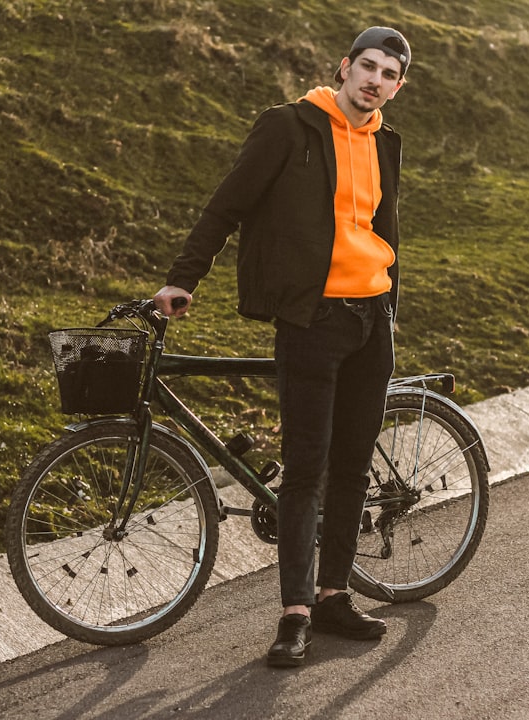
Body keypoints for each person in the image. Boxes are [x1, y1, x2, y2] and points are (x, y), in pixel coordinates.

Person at [153, 26, 411, 668]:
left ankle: (333, 597)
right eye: (367, 67)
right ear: (345, 68)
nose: (374, 80)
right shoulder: (289, 127)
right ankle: (294, 613)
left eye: (389, 74)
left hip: (370, 322)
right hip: (311, 320)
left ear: (398, 87)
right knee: (304, 472)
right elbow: (226, 206)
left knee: (351, 468)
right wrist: (184, 278)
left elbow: (386, 227)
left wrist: (390, 306)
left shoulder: (386, 143)